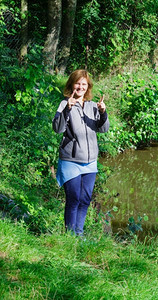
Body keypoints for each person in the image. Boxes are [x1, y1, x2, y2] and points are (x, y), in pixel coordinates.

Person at [52, 69, 109, 235]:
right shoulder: (64, 104)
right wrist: (67, 110)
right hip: (71, 161)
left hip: (90, 162)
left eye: (84, 84)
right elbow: (57, 128)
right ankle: (70, 236)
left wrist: (103, 113)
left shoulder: (92, 106)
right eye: (78, 83)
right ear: (71, 84)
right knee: (74, 198)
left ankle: (79, 233)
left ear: (88, 87)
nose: (80, 87)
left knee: (84, 200)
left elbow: (103, 129)